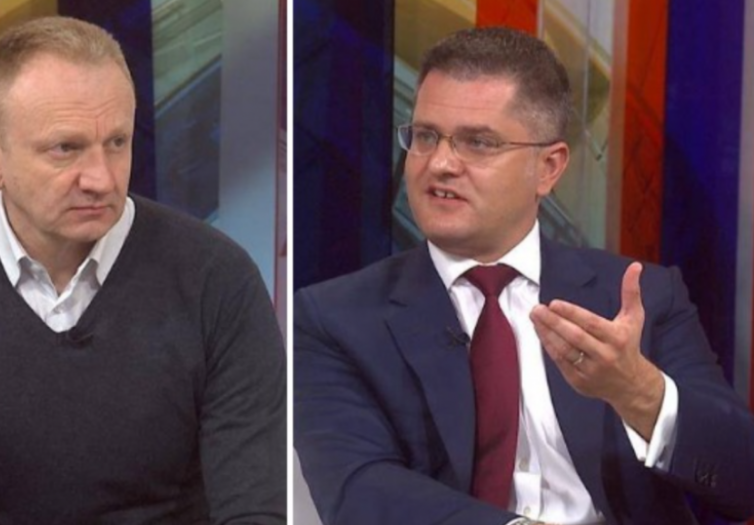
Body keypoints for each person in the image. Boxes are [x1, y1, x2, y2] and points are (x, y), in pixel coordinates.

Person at [0, 16, 285, 525]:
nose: (101, 179)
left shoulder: (217, 281)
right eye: (66, 148)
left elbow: (254, 511)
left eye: (117, 142)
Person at [294, 27, 754, 525]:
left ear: (548, 168)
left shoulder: (639, 299)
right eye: (425, 136)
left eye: (478, 143)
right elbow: (359, 490)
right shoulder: (334, 318)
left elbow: (743, 480)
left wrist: (639, 392)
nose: (440, 164)